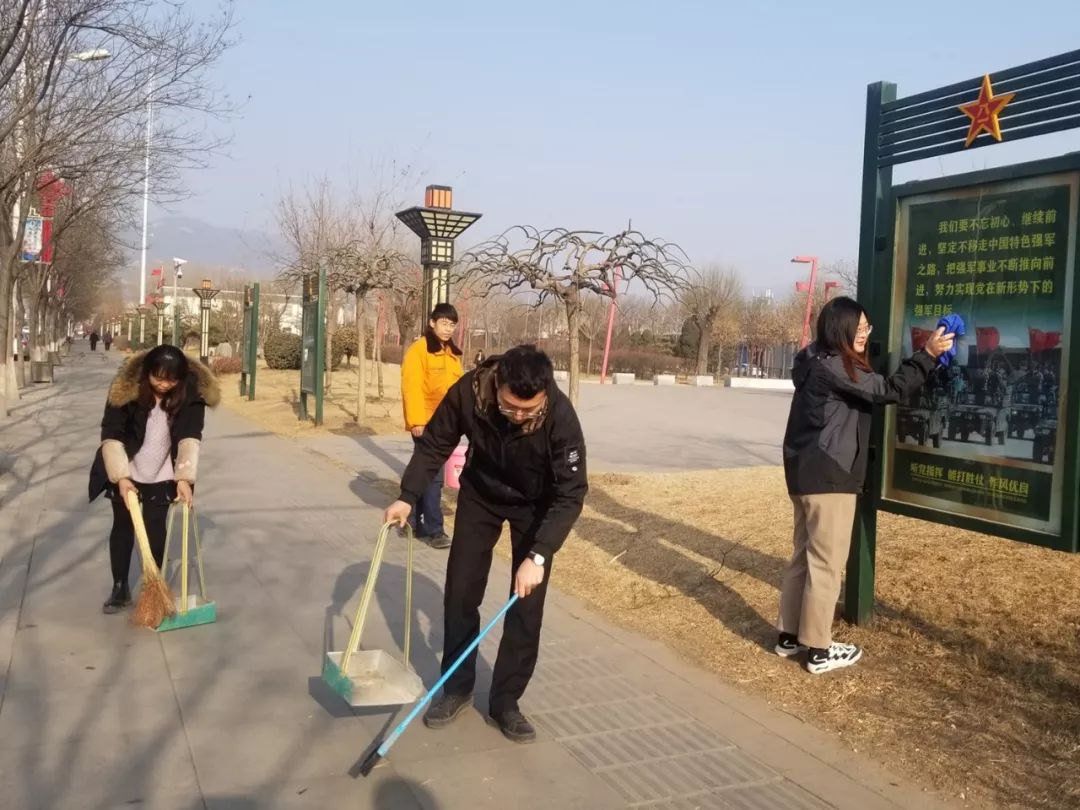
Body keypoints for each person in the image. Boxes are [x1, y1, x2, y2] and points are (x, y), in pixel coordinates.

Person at [384, 345, 588, 742]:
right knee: (460, 592)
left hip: (535, 504)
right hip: (481, 496)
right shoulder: (470, 392)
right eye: (511, 407)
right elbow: (435, 444)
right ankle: (457, 687)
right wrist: (407, 496)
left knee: (525, 604)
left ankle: (506, 702)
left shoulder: (560, 415)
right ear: (498, 386)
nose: (518, 416)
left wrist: (539, 555)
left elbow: (572, 492)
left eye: (529, 410)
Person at [776, 297, 953, 674]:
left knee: (803, 557)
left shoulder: (811, 359)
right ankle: (819, 651)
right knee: (826, 564)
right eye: (858, 329)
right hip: (830, 478)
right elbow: (887, 390)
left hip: (804, 475)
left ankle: (789, 637)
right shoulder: (836, 366)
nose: (864, 335)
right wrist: (928, 355)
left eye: (866, 328)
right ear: (839, 329)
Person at [88, 345, 220, 613]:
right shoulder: (127, 388)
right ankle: (120, 588)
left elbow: (190, 436)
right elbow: (112, 432)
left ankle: (153, 586)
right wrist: (121, 477)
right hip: (127, 466)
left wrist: (184, 478)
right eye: (158, 378)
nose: (164, 385)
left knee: (156, 531)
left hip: (163, 471)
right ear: (147, 372)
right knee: (123, 527)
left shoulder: (191, 393)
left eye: (171, 380)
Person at [399, 303, 464, 548]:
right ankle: (433, 530)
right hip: (426, 422)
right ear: (432, 323)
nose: (448, 329)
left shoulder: (451, 353)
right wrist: (416, 421)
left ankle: (411, 520)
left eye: (452, 325)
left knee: (423, 469)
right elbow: (412, 387)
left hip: (447, 423)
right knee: (434, 475)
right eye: (444, 323)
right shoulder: (419, 350)